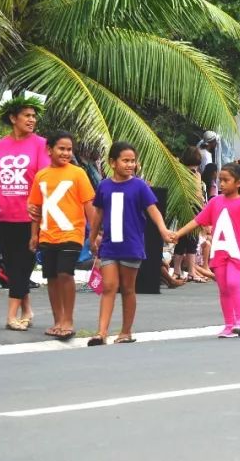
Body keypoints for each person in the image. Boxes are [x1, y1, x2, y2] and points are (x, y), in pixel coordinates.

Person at [172, 162, 240, 338]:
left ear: (238, 183)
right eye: (220, 180)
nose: (221, 184)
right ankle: (229, 324)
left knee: (233, 283)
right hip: (219, 252)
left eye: (226, 180)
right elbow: (197, 221)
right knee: (224, 288)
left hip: (236, 253)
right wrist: (178, 234)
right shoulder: (215, 202)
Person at [87, 142, 171, 346]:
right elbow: (98, 213)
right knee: (108, 287)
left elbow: (153, 210)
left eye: (133, 161)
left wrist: (163, 229)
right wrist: (92, 237)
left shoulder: (139, 186)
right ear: (112, 163)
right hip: (109, 245)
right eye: (125, 160)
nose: (130, 164)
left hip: (131, 245)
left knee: (127, 289)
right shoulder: (104, 185)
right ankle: (101, 332)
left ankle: (126, 331)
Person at [0, 96, 49, 331]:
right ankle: (27, 310)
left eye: (34, 116)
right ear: (13, 118)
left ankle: (11, 316)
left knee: (24, 264)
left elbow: (44, 179)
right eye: (27, 115)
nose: (32, 120)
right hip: (3, 215)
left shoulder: (41, 144)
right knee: (12, 267)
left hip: (31, 218)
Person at [27, 131, 96, 341]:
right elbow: (36, 209)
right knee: (52, 277)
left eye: (69, 149)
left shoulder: (78, 174)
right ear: (49, 150)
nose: (66, 153)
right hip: (47, 234)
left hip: (72, 233)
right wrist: (33, 235)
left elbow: (89, 205)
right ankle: (57, 321)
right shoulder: (41, 176)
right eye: (61, 148)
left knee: (65, 274)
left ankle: (68, 321)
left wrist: (94, 234)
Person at [171, 147, 203, 283]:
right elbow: (198, 194)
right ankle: (189, 271)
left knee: (184, 241)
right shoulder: (193, 173)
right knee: (191, 242)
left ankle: (180, 271)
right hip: (192, 209)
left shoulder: (184, 172)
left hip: (186, 207)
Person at [198, 131, 220, 197]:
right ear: (212, 143)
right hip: (204, 185)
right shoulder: (206, 156)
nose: (216, 143)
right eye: (215, 141)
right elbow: (208, 173)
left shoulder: (200, 150)